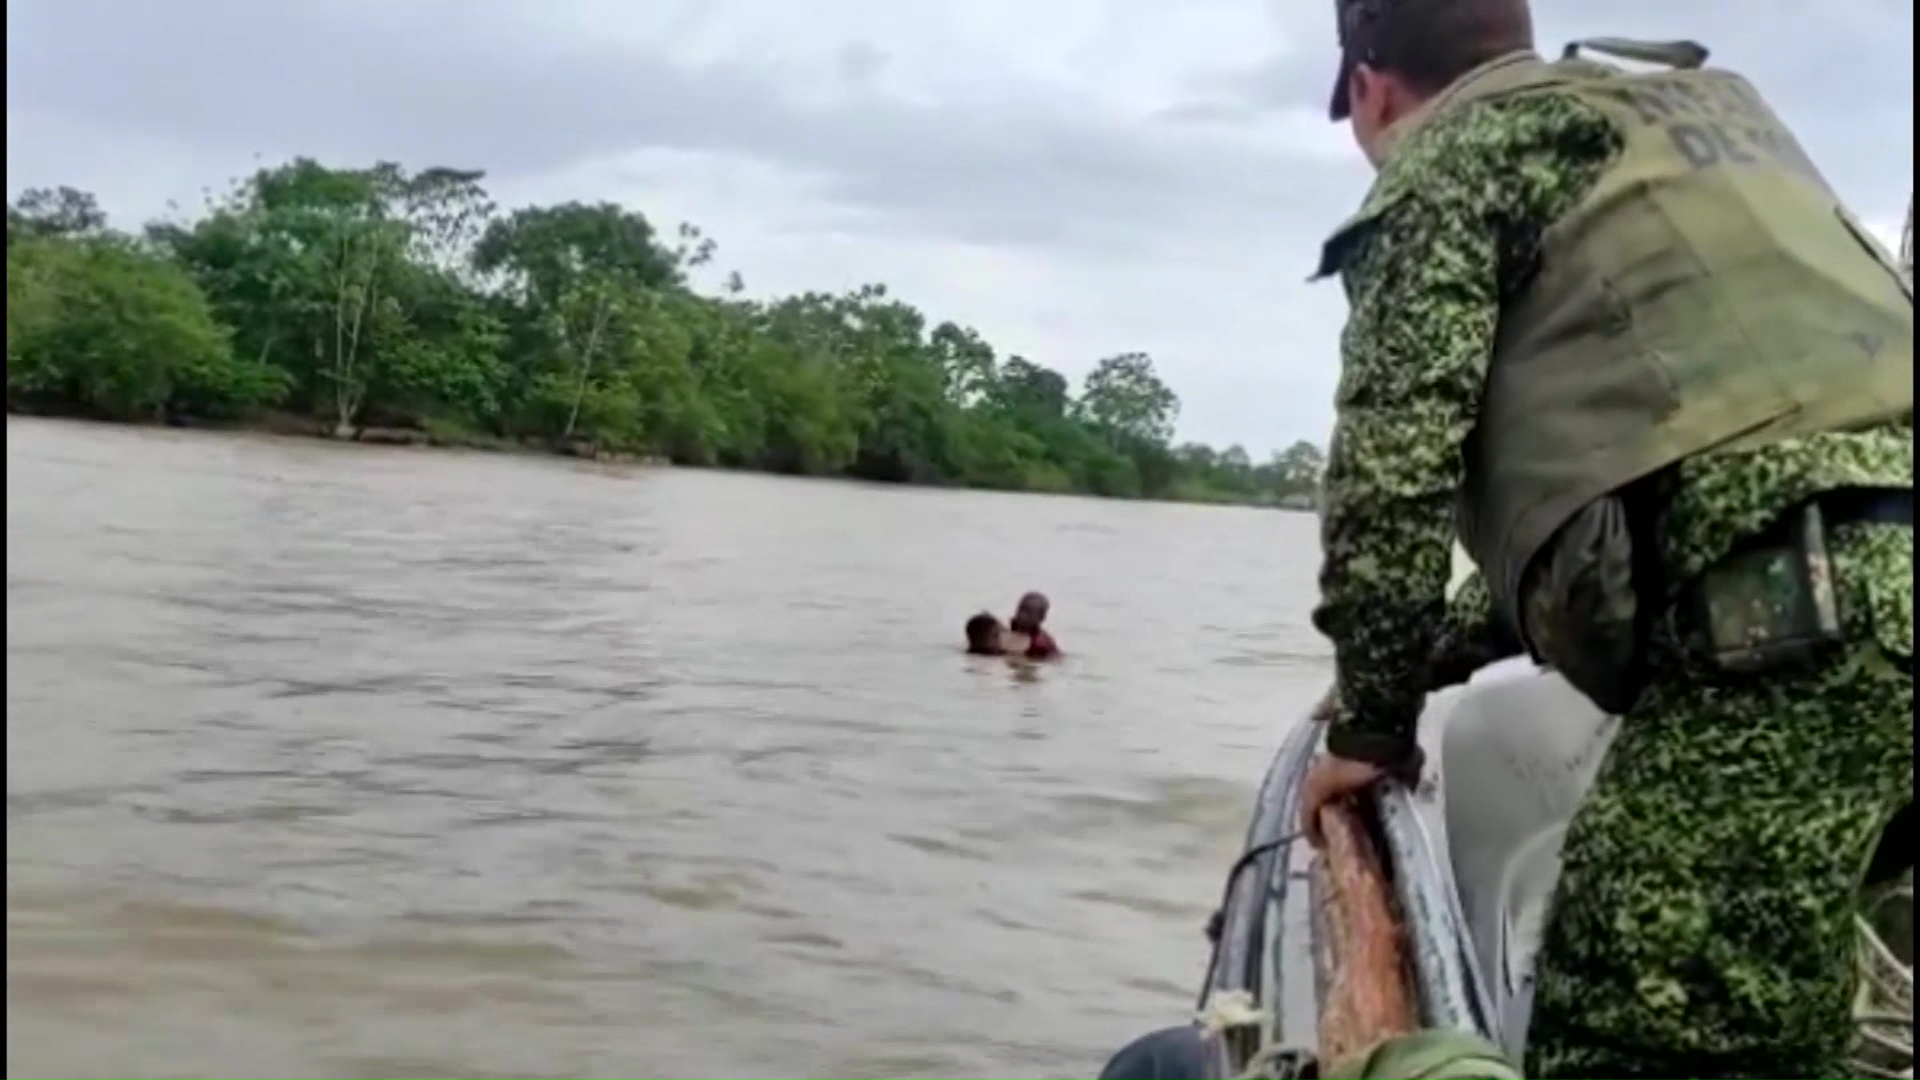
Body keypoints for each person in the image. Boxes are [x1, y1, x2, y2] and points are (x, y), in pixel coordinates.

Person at [1295, 2, 1912, 1078]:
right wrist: (1439, 650)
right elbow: (1693, 479)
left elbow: (1392, 481)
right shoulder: (1680, 125)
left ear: (1366, 85)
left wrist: (1371, 724)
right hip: (1868, 609)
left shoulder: (1452, 156)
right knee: (1789, 1022)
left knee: (1642, 1044)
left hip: (1802, 635)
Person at [1009, 591, 1062, 659]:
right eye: (1020, 609)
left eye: (1028, 613)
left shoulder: (1041, 644)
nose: (1022, 615)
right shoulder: (1007, 628)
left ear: (1041, 617)